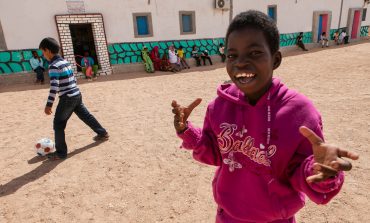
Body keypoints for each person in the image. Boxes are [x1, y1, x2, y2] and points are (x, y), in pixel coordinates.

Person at [171, 10, 359, 223]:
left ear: (275, 59)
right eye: (232, 55)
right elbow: (215, 152)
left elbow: (302, 170)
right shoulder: (220, 107)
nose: (240, 63)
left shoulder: (300, 112)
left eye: (254, 53)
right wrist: (186, 131)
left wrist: (322, 172)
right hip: (228, 217)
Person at [39, 37, 109, 160]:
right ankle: (102, 133)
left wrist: (49, 104)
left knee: (58, 125)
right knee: (86, 116)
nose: (43, 55)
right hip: (76, 94)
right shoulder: (65, 62)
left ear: (48, 51)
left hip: (67, 98)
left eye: (43, 52)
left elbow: (54, 86)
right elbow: (73, 79)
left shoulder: (54, 66)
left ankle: (61, 153)